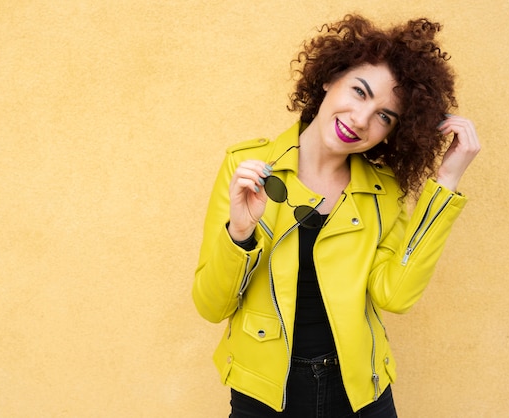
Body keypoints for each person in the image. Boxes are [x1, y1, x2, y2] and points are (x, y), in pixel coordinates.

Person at [192, 14, 480, 418]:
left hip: (361, 392)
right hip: (263, 395)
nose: (361, 120)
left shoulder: (384, 191)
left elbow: (394, 296)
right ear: (329, 78)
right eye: (360, 92)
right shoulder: (247, 166)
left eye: (385, 116)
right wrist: (239, 234)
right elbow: (211, 306)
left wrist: (445, 182)